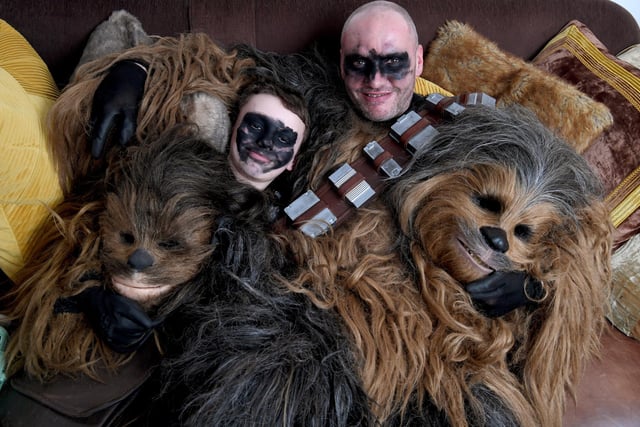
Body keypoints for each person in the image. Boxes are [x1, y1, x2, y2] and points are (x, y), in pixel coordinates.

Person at [86, 1, 540, 317]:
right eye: (360, 63)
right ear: (340, 60)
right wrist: (137, 68)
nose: (376, 81)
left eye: (393, 63)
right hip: (283, 269)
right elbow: (225, 66)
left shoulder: (464, 121)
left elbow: (553, 201)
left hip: (397, 291)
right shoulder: (312, 85)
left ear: (419, 62)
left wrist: (535, 286)